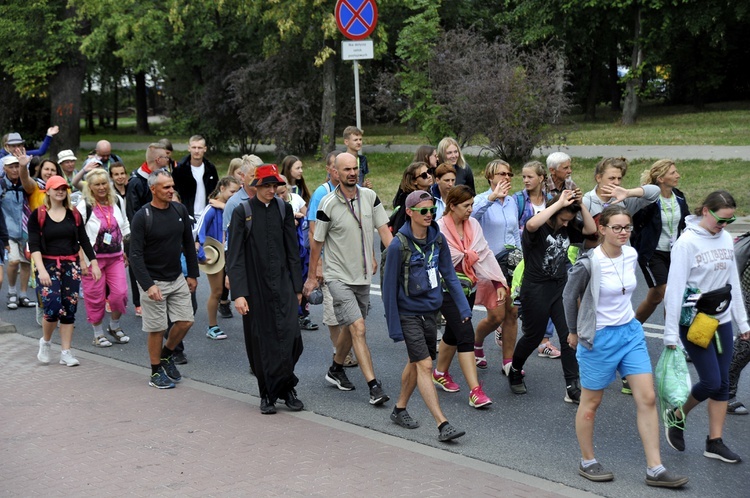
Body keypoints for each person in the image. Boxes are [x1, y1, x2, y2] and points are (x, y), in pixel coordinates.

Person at [564, 205, 688, 488]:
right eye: (617, 227)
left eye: (627, 227)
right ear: (603, 229)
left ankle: (655, 468)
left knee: (647, 398)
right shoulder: (588, 262)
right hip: (599, 338)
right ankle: (588, 461)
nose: (623, 232)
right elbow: (569, 298)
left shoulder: (631, 255)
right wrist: (573, 331)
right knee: (591, 402)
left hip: (630, 333)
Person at [663, 190, 749, 464]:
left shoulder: (724, 238)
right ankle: (677, 415)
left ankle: (714, 441)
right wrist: (669, 333)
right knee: (711, 381)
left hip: (721, 321)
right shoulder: (687, 243)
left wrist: (743, 322)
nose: (723, 226)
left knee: (722, 384)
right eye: (720, 220)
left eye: (729, 220)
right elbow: (674, 290)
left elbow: (732, 282)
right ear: (705, 212)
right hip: (694, 322)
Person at [304, 152, 393, 405]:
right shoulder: (327, 203)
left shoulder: (370, 197)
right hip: (337, 277)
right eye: (347, 170)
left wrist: (400, 262)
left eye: (355, 169)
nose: (353, 173)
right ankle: (374, 387)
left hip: (363, 277)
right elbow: (317, 243)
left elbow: (385, 234)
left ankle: (335, 368)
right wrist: (313, 276)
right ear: (336, 173)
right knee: (358, 328)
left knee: (349, 326)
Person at [383, 190, 469, 441]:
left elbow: (449, 275)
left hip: (431, 311)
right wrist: (394, 328)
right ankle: (443, 425)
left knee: (415, 361)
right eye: (423, 211)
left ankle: (399, 409)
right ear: (409, 213)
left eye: (431, 210)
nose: (429, 214)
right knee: (425, 365)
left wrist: (463, 308)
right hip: (408, 313)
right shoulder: (398, 245)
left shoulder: (438, 239)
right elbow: (388, 290)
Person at [227, 165, 305, 414]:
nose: (272, 190)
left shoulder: (285, 208)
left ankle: (285, 385)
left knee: (292, 337)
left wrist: (297, 287)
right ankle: (267, 394)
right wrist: (238, 293)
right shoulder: (243, 212)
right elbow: (235, 255)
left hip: (282, 283)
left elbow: (293, 251)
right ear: (256, 185)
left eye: (275, 186)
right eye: (267, 186)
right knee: (261, 341)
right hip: (254, 285)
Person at [508, 191, 596, 402]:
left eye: (569, 220)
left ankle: (572, 384)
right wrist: (558, 205)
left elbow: (592, 230)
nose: (566, 224)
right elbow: (530, 225)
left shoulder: (567, 228)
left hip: (559, 288)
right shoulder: (537, 229)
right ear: (554, 212)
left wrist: (581, 205)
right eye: (563, 219)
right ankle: (515, 369)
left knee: (568, 336)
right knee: (533, 337)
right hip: (535, 289)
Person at [434, 185, 504, 407]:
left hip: (469, 287)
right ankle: (475, 391)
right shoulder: (438, 229)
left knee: (453, 335)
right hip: (446, 290)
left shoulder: (473, 224)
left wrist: (497, 281)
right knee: (465, 334)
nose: (471, 210)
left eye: (473, 205)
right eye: (466, 206)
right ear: (452, 206)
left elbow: (484, 253)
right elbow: (436, 262)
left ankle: (439, 372)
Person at [129, 170, 198, 389]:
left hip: (176, 276)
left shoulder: (179, 209)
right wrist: (148, 285)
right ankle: (155, 371)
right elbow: (135, 255)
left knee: (186, 320)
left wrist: (193, 274)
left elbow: (188, 243)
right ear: (153, 190)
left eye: (172, 186)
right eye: (166, 187)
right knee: (157, 328)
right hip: (153, 280)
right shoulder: (143, 216)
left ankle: (166, 355)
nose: (171, 190)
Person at [29, 175, 100, 367]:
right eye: (56, 188)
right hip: (48, 265)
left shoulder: (73, 214)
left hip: (71, 265)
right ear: (48, 191)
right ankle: (46, 341)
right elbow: (34, 245)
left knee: (69, 308)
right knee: (52, 306)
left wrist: (93, 262)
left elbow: (83, 240)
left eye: (63, 188)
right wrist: (41, 270)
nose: (60, 191)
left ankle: (66, 352)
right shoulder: (39, 214)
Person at [306, 151, 357, 368]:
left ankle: (346, 348)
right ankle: (339, 351)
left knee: (352, 310)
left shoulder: (354, 192)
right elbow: (313, 229)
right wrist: (318, 264)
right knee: (333, 311)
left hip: (350, 263)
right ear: (330, 169)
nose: (341, 172)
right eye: (336, 167)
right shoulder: (322, 193)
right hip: (330, 262)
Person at [471, 160, 520, 372]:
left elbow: (515, 232)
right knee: (496, 317)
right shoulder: (481, 200)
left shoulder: (511, 202)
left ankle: (508, 362)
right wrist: (491, 198)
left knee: (512, 313)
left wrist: (522, 262)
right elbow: (471, 218)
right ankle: (476, 343)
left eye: (509, 174)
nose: (507, 178)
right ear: (490, 177)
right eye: (502, 174)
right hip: (489, 266)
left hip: (511, 264)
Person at [77, 169, 131, 347]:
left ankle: (114, 326)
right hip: (94, 260)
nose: (101, 187)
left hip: (115, 257)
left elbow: (124, 225)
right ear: (90, 187)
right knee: (95, 297)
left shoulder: (117, 200)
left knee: (120, 294)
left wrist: (124, 248)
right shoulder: (84, 205)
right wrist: (83, 261)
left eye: (104, 183)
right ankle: (98, 333)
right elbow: (76, 235)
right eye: (97, 184)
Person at [632, 160, 689, 324]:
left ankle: (631, 330)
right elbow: (636, 226)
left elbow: (686, 221)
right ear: (661, 178)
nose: (677, 175)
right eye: (673, 173)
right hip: (653, 255)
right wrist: (641, 249)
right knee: (672, 296)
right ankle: (673, 342)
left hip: (674, 253)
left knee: (655, 298)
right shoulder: (649, 200)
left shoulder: (679, 196)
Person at [514, 160, 560, 360]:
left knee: (548, 297)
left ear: (542, 178)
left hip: (546, 256)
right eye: (523, 176)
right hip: (522, 255)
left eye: (530, 176)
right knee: (519, 299)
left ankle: (544, 342)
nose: (525, 180)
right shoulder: (518, 200)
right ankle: (504, 323)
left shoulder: (551, 199)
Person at [126, 143, 171, 318]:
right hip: (141, 234)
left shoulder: (162, 177)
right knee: (138, 265)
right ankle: (139, 303)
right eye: (166, 157)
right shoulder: (137, 181)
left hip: (159, 234)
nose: (169, 160)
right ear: (158, 160)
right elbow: (133, 212)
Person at [195, 176, 240, 340]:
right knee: (217, 291)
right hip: (215, 255)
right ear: (221, 188)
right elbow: (198, 231)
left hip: (231, 253)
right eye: (232, 191)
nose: (234, 195)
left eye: (237, 192)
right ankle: (212, 326)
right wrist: (201, 254)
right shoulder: (210, 209)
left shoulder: (232, 207)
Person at [277, 174, 317, 332]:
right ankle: (286, 315)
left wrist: (301, 218)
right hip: (283, 250)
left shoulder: (295, 199)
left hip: (300, 249)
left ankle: (303, 314)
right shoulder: (273, 205)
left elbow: (308, 217)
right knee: (285, 283)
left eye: (282, 192)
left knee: (301, 280)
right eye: (277, 193)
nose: (280, 196)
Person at [2, 155, 35, 309]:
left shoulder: (25, 183)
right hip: (8, 231)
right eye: (11, 167)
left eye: (17, 166)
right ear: (4, 169)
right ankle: (11, 292)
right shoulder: (1, 185)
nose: (14, 169)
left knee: (26, 263)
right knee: (14, 260)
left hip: (26, 230)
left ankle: (23, 295)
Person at [173, 135, 219, 227]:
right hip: (186, 215)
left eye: (200, 148)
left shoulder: (210, 169)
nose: (196, 151)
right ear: (189, 148)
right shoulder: (180, 170)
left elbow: (216, 190)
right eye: (194, 147)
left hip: (207, 214)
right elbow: (174, 192)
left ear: (205, 149)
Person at [389, 162, 434, 236]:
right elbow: (401, 224)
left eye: (429, 172)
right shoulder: (409, 200)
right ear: (414, 181)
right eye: (424, 175)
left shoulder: (429, 194)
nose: (429, 176)